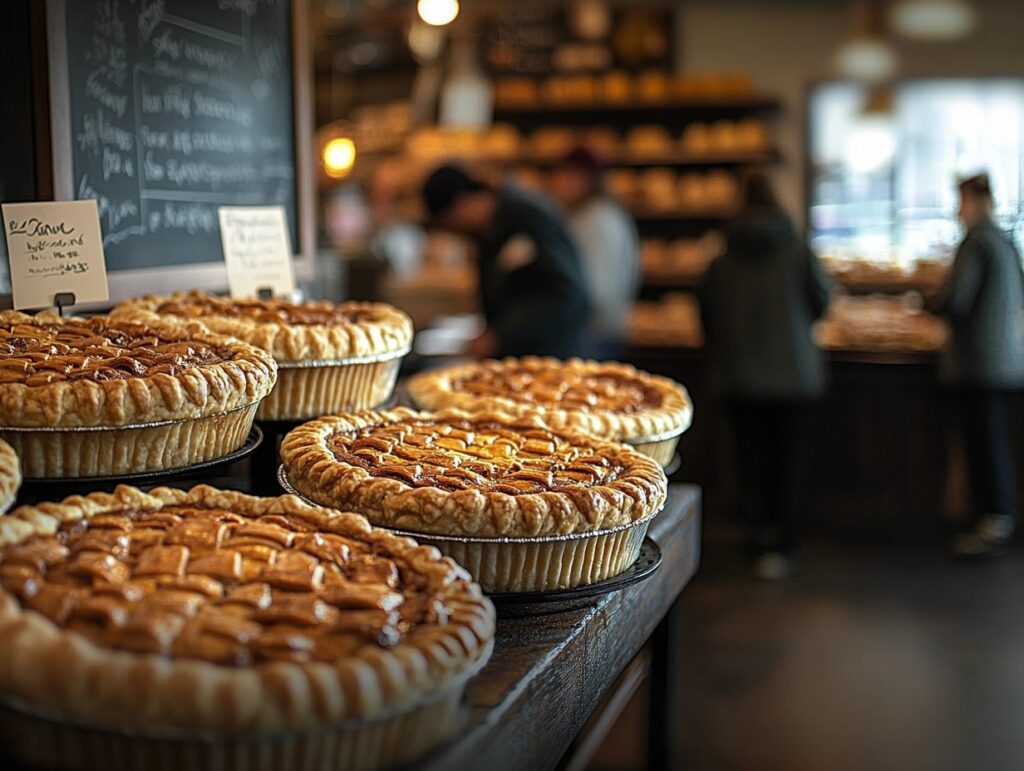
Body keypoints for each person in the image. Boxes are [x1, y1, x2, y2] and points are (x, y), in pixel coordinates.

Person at [698, 173, 831, 579]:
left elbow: (707, 316)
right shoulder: (796, 250)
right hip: (795, 376)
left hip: (740, 376)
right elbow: (822, 301)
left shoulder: (722, 258)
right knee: (790, 461)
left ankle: (755, 538)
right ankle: (786, 543)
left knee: (750, 460)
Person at [931, 173, 1024, 559]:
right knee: (995, 442)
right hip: (1005, 358)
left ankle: (992, 522)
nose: (957, 210)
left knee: (983, 446)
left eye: (960, 200)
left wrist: (926, 303)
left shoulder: (975, 242)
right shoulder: (1005, 240)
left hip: (978, 362)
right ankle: (997, 518)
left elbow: (957, 300)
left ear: (972, 199)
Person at [421, 164, 591, 359]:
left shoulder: (524, 216)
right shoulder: (490, 227)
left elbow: (566, 295)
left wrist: (500, 337)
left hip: (552, 358)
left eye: (449, 224)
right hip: (522, 358)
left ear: (460, 204)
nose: (455, 232)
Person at [549, 147, 640, 358]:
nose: (555, 183)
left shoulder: (598, 220)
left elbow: (597, 289)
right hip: (597, 331)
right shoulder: (593, 215)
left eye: (562, 175)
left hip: (596, 334)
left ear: (583, 179)